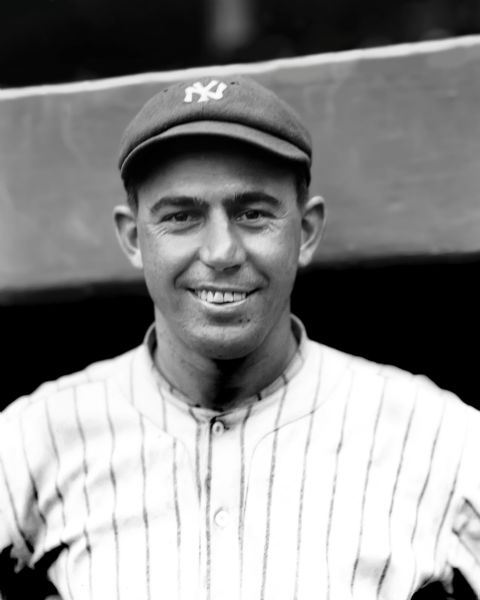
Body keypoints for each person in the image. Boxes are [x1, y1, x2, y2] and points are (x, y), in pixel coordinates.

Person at [0, 75, 479, 600]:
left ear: (308, 231)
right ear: (135, 239)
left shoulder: (437, 436)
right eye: (181, 217)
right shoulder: (33, 437)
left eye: (253, 213)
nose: (222, 251)